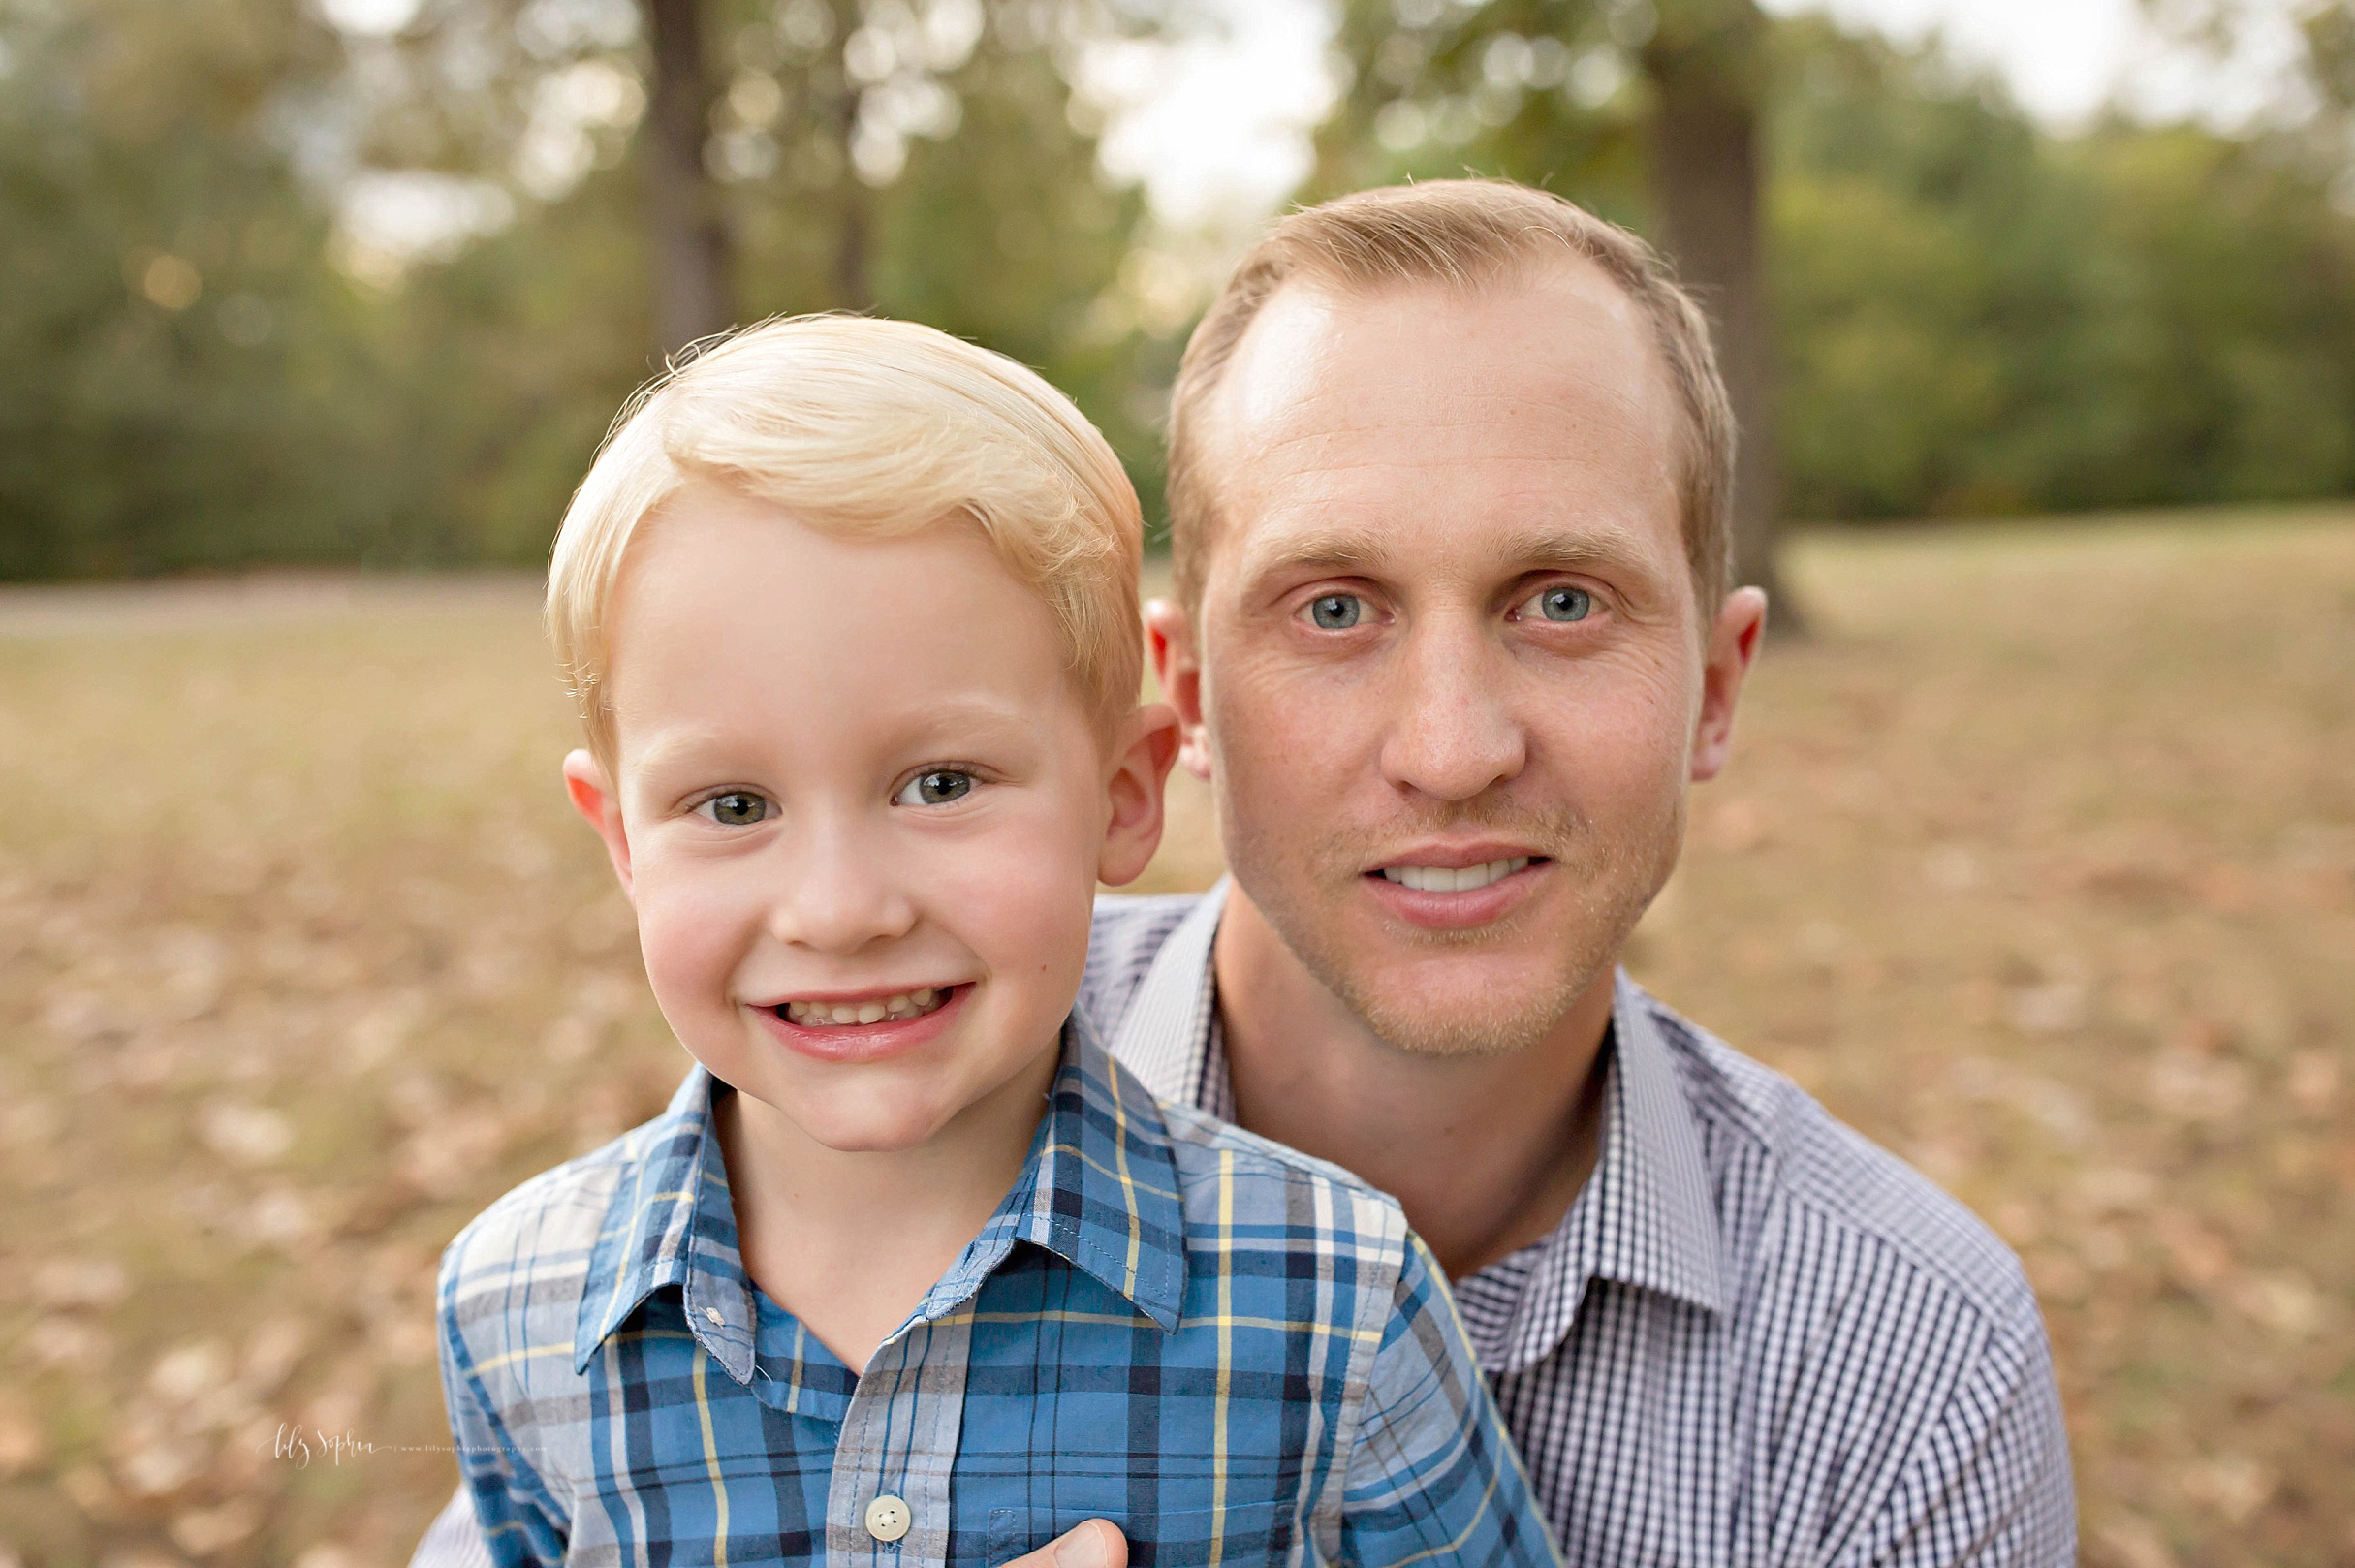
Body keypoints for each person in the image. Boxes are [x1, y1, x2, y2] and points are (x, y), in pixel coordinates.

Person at [418, 179, 2076, 1567]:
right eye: (1334, 608)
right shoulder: (853, 1067)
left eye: (1561, 601)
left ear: (1713, 690)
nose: (1451, 747)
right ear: (1185, 702)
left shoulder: (1908, 1364)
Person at [428, 313, 1557, 1568]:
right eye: (732, 807)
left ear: (1124, 796)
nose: (840, 909)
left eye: (941, 785)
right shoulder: (516, 1312)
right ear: (622, 841)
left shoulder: (1330, 1304)